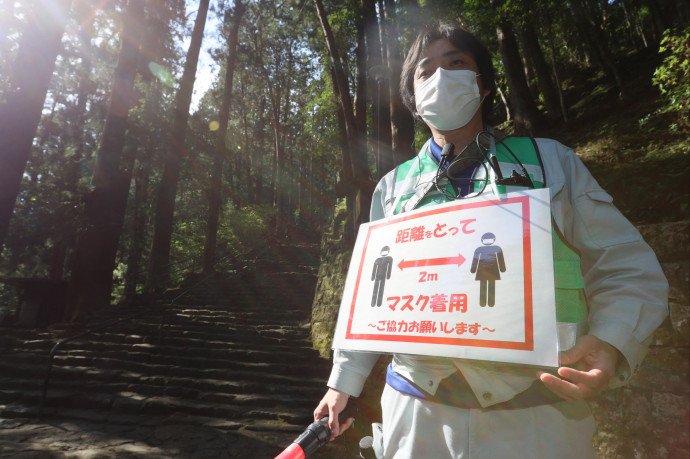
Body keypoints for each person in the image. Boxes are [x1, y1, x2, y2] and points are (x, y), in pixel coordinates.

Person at [314, 22, 668, 458]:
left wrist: (612, 340)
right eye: (425, 71)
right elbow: (369, 297)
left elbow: (625, 263)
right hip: (415, 414)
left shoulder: (550, 162)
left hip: (538, 412)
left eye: (456, 63)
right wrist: (341, 382)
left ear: (483, 85)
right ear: (413, 99)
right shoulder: (393, 187)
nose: (441, 77)